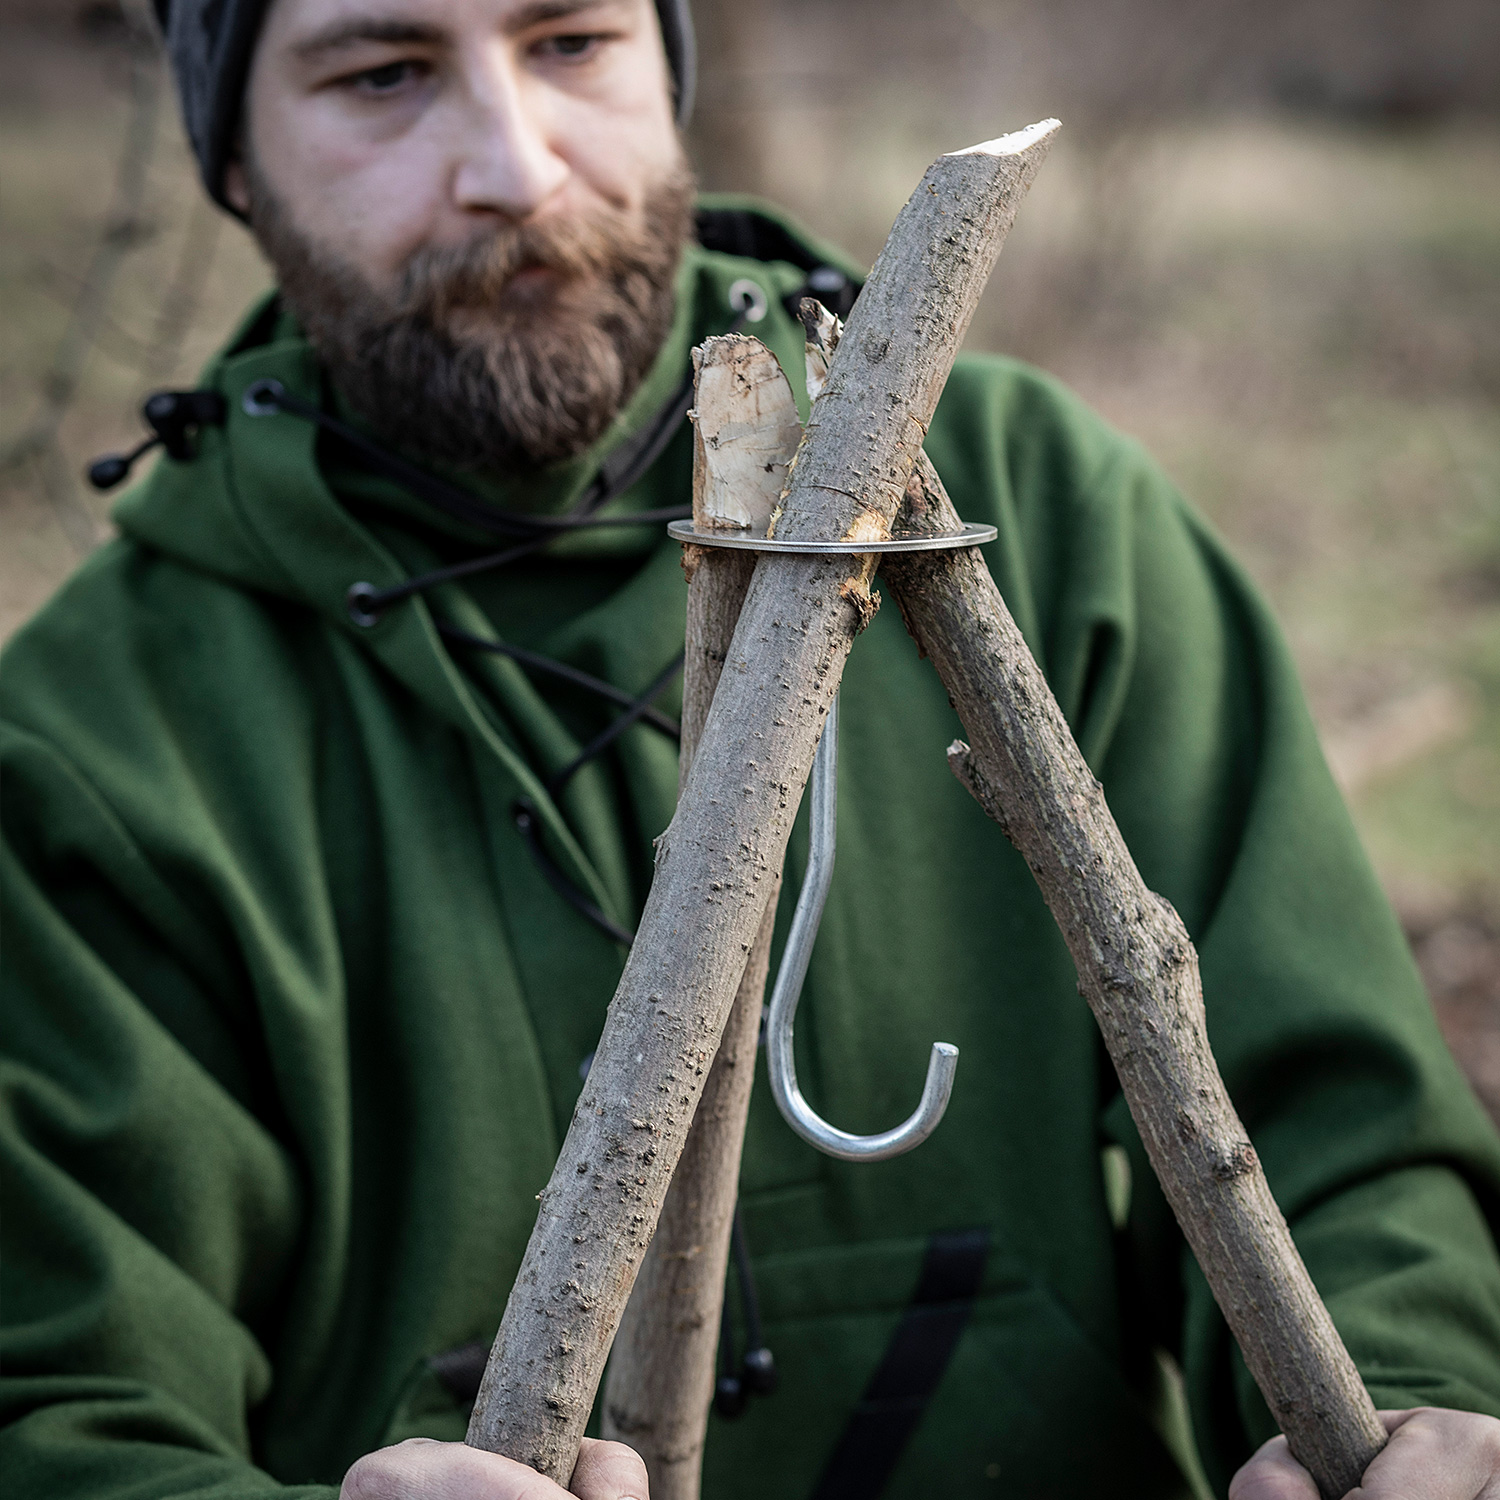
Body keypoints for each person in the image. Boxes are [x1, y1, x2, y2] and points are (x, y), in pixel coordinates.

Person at [3, 1, 1499, 1496]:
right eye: (383, 74)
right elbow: (58, 1412)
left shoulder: (1034, 515)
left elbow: (1344, 1150)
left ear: (671, 66)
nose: (515, 169)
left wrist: (1416, 1414)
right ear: (234, 159)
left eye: (573, 42)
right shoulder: (98, 746)